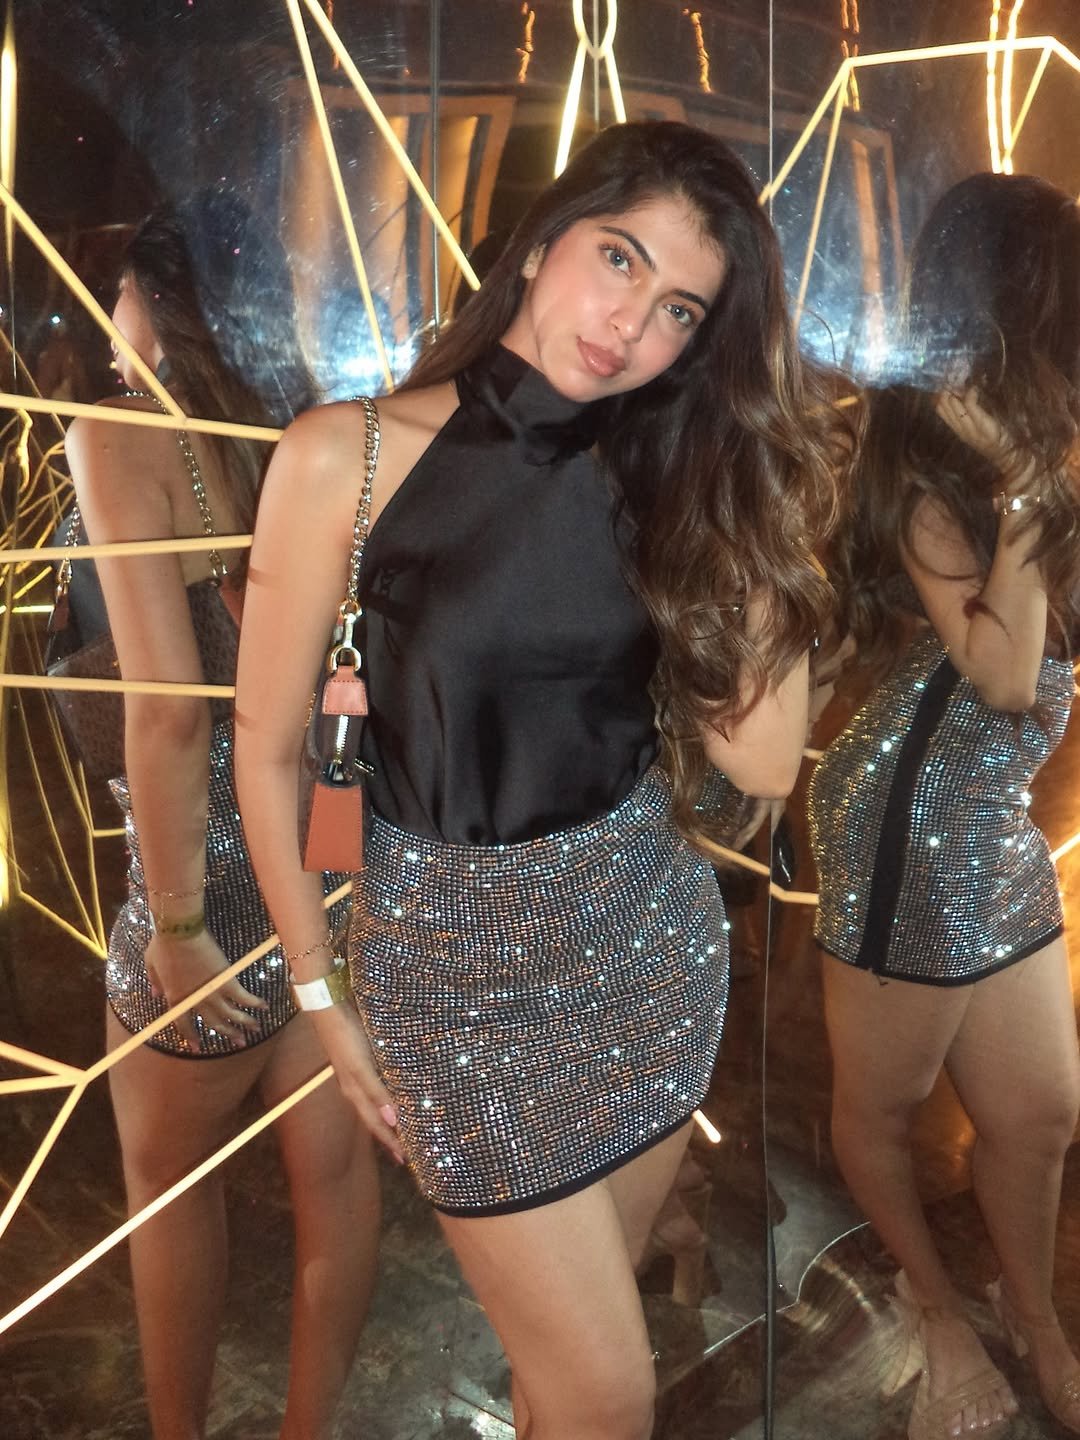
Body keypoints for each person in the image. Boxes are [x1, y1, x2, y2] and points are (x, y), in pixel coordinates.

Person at [234, 120, 834, 1439]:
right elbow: (267, 752)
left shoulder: (666, 474)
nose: (631, 325)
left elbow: (763, 757)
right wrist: (321, 996)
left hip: (649, 950)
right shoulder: (348, 456)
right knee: (609, 1391)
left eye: (679, 310)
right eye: (619, 259)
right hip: (455, 985)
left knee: (565, 1372)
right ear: (541, 243)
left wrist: (751, 483)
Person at [63, 197, 377, 1440]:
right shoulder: (314, 425)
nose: (107, 321)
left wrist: (179, 921)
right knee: (334, 1174)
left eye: (117, 292)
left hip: (220, 870)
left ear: (157, 296)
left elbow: (169, 716)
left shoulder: (120, 434)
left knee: (164, 1184)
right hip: (332, 844)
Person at [808, 171, 1080, 1440]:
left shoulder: (1042, 454)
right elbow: (1007, 675)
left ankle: (1034, 1315)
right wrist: (1024, 480)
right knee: (882, 1111)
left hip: (992, 817)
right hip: (907, 823)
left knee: (1040, 1112)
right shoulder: (934, 474)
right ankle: (935, 1307)